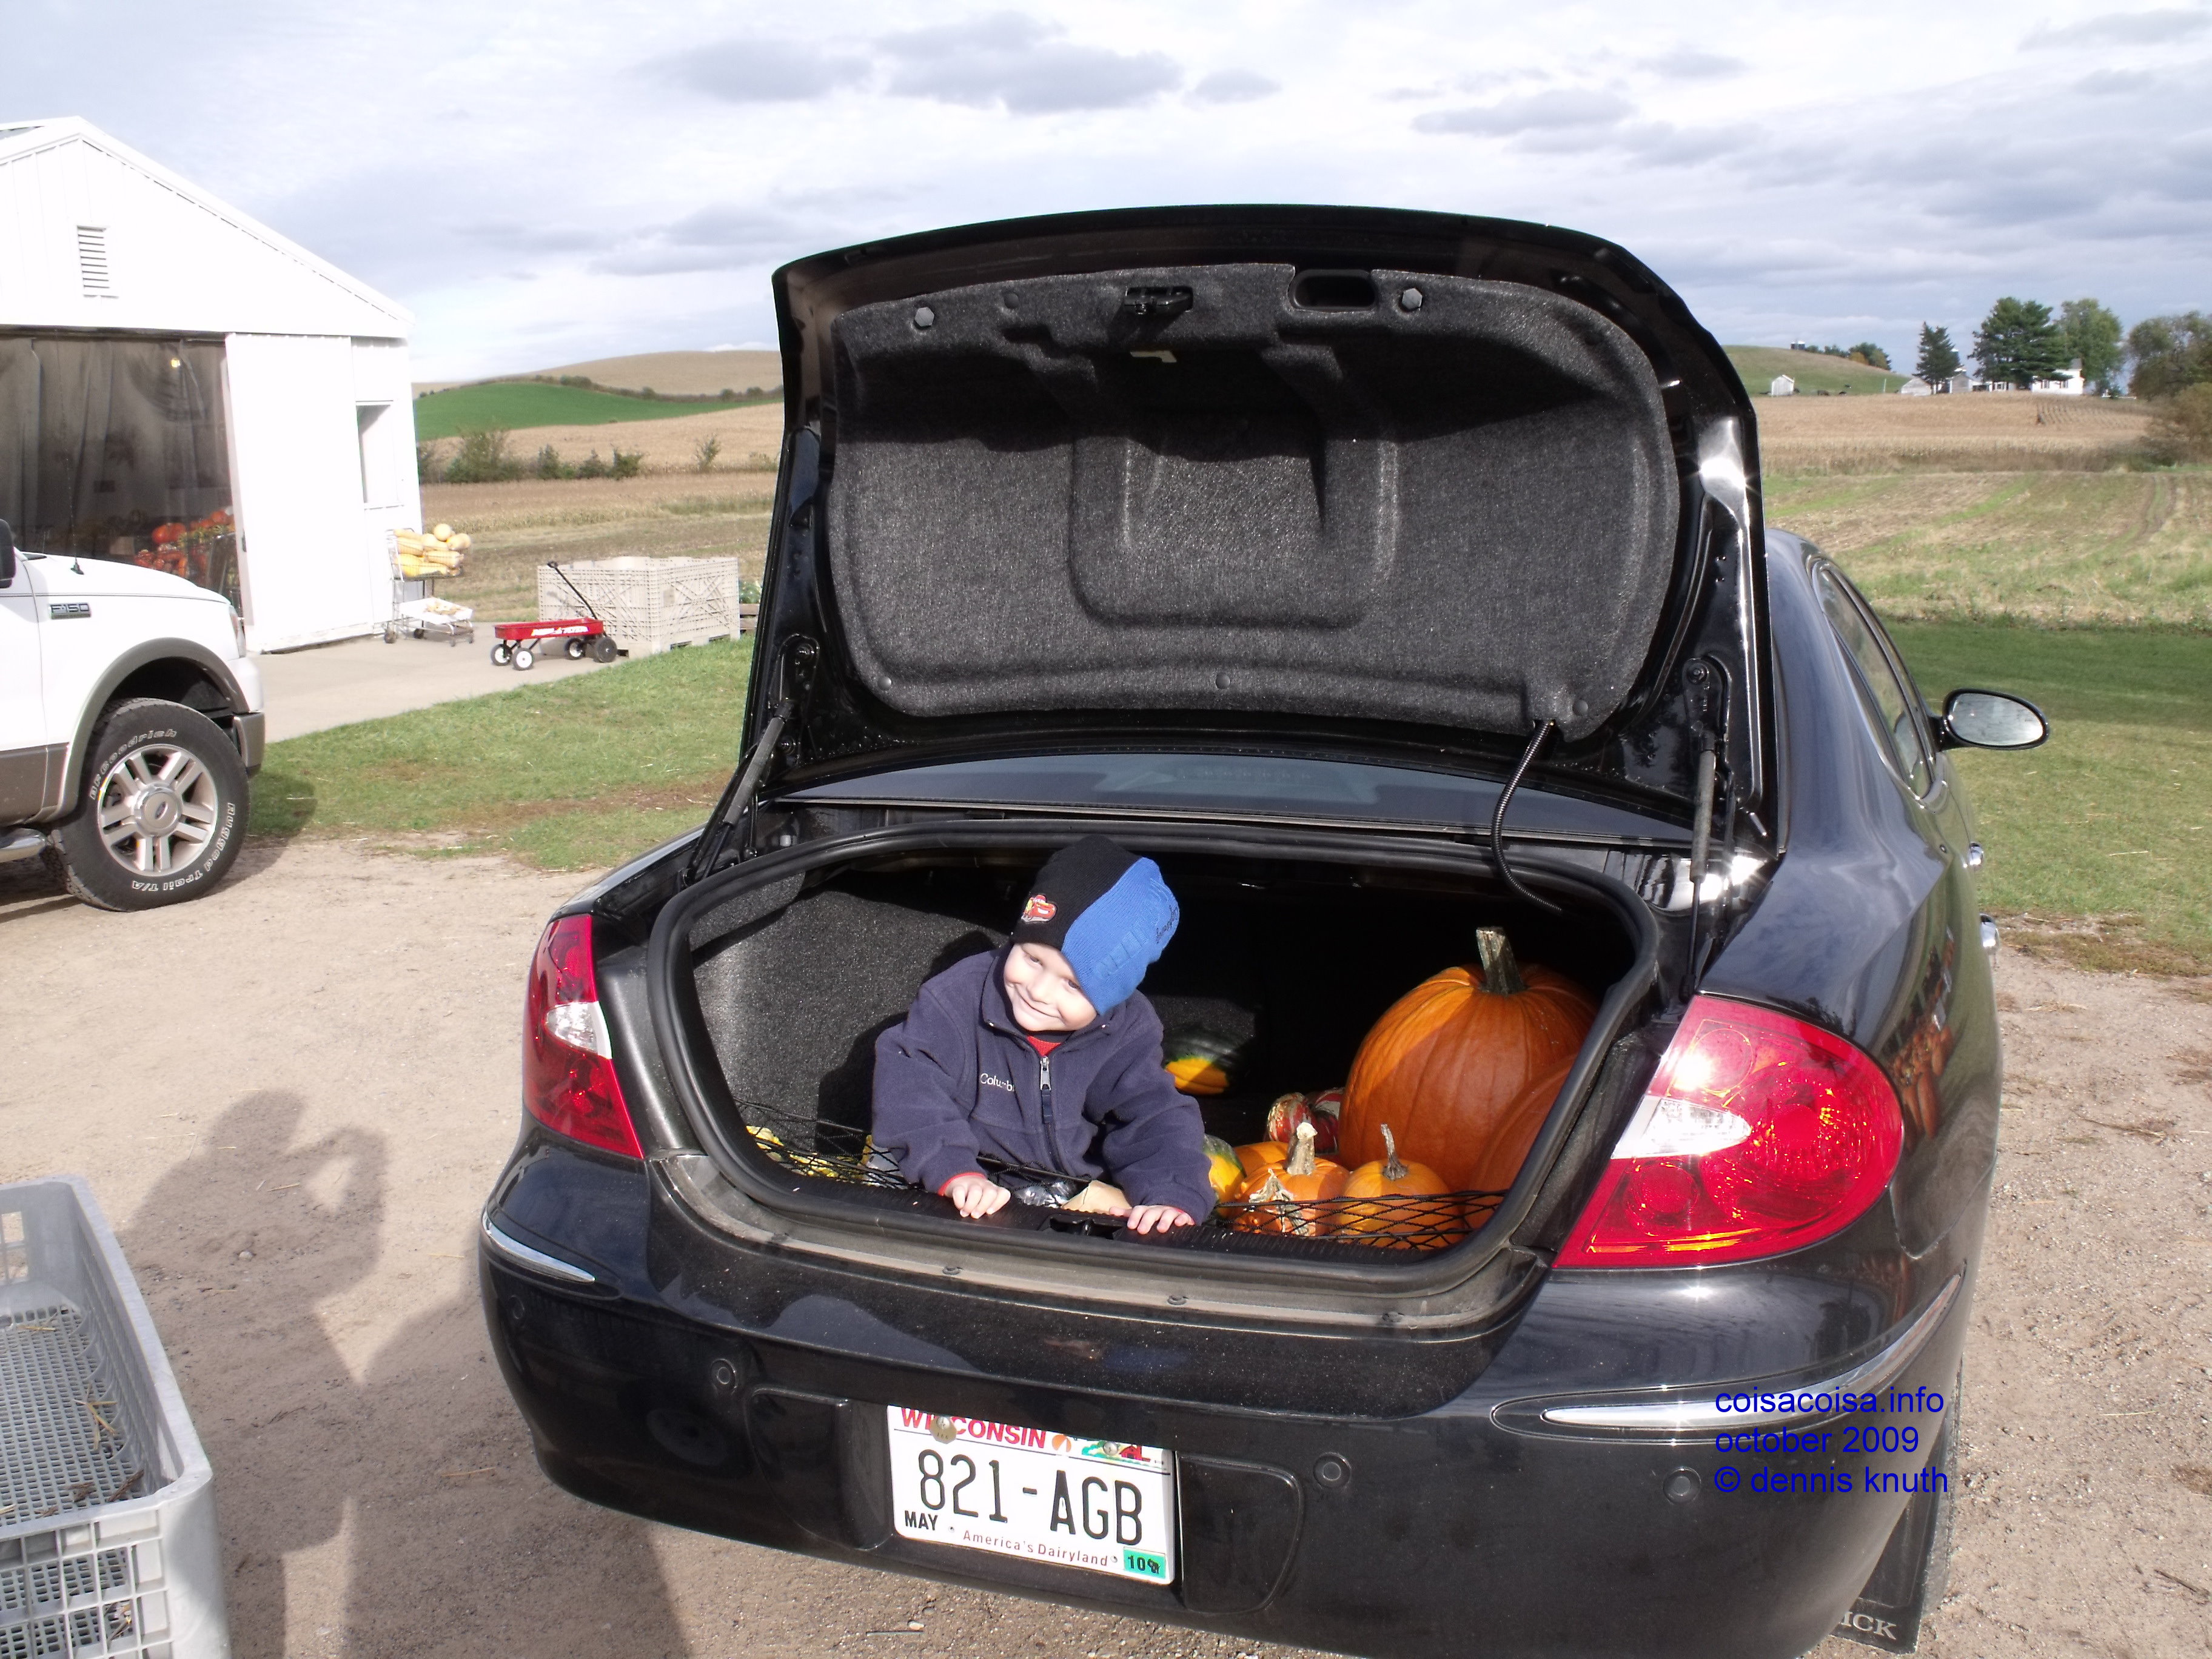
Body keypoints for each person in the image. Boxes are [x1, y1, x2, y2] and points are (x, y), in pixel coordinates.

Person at [872, 836, 1213, 1233]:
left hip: (1063, 1189)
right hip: (954, 1175)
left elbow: (1153, 1114)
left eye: (1072, 985)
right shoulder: (959, 996)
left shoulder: (1127, 1028)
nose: (1039, 991)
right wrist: (954, 1171)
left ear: (1111, 997)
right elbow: (912, 1084)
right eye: (1032, 959)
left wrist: (1172, 1193)